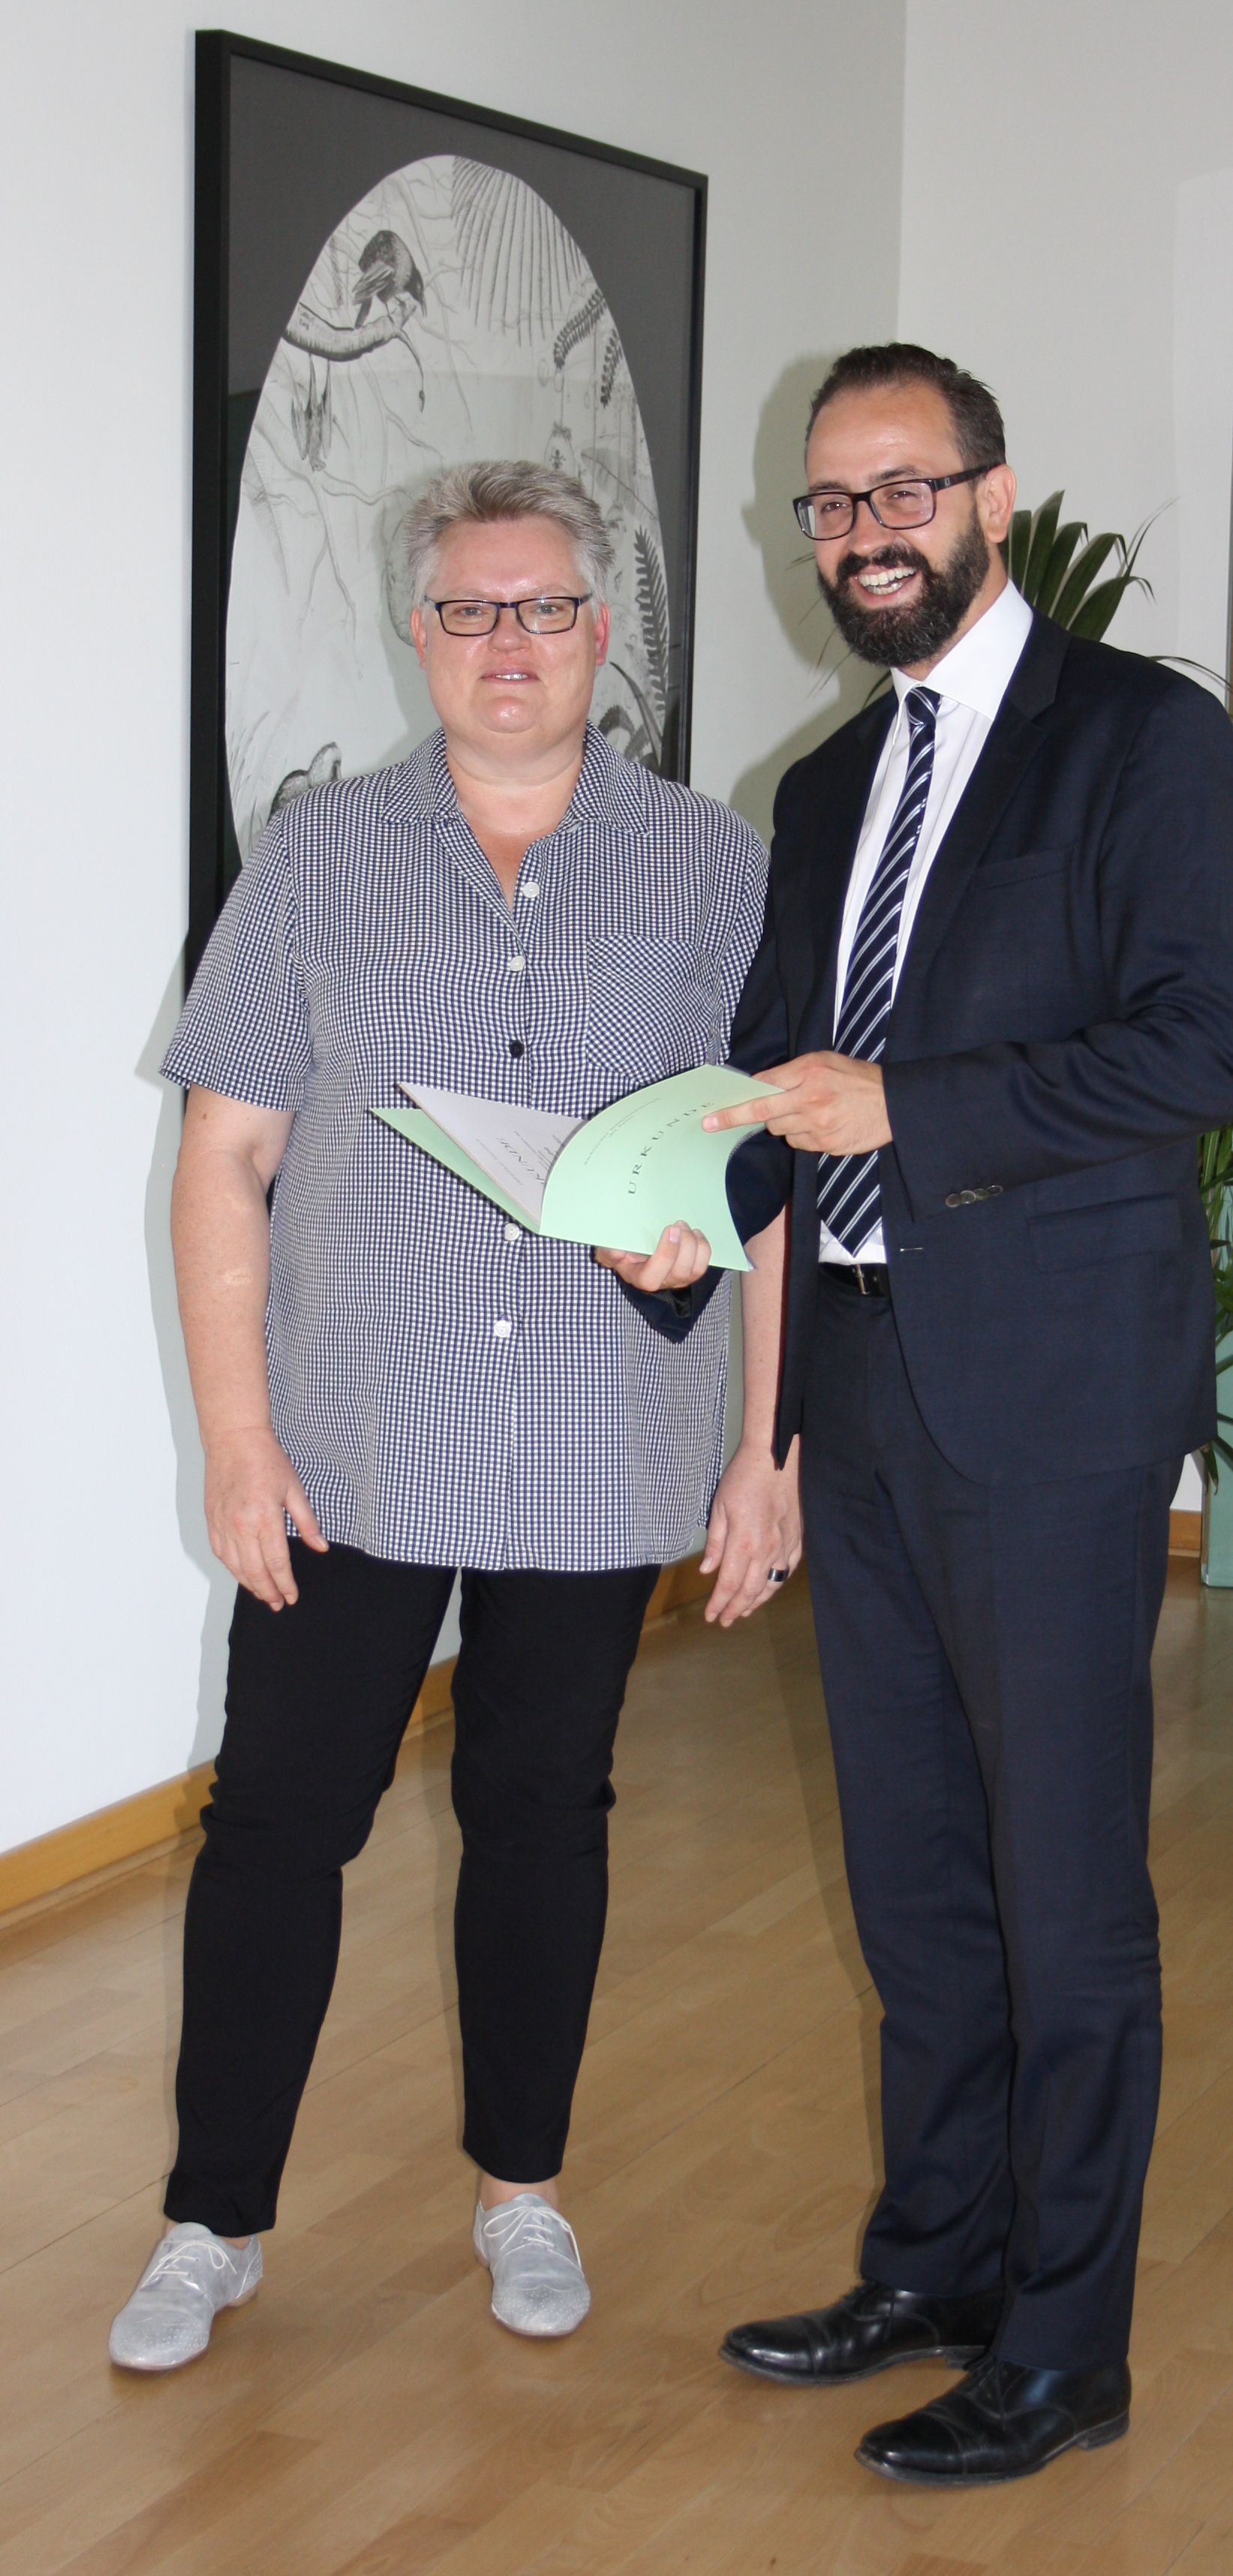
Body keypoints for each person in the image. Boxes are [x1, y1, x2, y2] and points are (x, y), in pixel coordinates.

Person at [109, 461, 795, 2373]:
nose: (511, 643)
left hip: (601, 1427)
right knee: (277, 1821)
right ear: (418, 634)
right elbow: (226, 1156)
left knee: (542, 1812)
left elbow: (769, 1167)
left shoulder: (711, 861)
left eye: (546, 607)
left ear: (602, 635)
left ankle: (522, 2192)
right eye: (472, 609)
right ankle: (211, 2221)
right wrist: (237, 1440)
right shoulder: (317, 854)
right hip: (353, 1436)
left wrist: (766, 1451)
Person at [702, 345, 1233, 2484]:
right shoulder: (826, 785)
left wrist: (914, 1108)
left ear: (993, 499)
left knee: (1063, 1896)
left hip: (1052, 1399)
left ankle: (1067, 2342)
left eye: (900, 490)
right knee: (915, 1879)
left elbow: (1202, 1039)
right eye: (831, 505)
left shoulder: (1144, 735)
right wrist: (676, 1222)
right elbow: (771, 1090)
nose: (863, 536)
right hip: (858, 1392)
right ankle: (933, 2262)